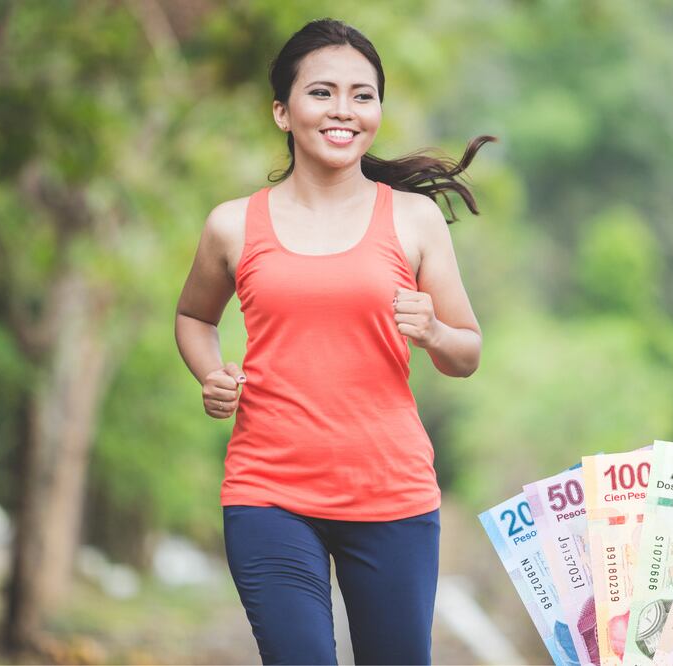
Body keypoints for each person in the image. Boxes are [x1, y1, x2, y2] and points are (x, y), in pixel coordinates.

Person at [174, 17, 493, 665]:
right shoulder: (232, 225)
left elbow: (468, 352)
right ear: (282, 112)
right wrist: (211, 374)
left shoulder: (414, 219)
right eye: (321, 93)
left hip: (391, 493)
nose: (343, 110)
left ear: (377, 109)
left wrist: (432, 330)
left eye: (362, 95)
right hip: (268, 494)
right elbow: (193, 317)